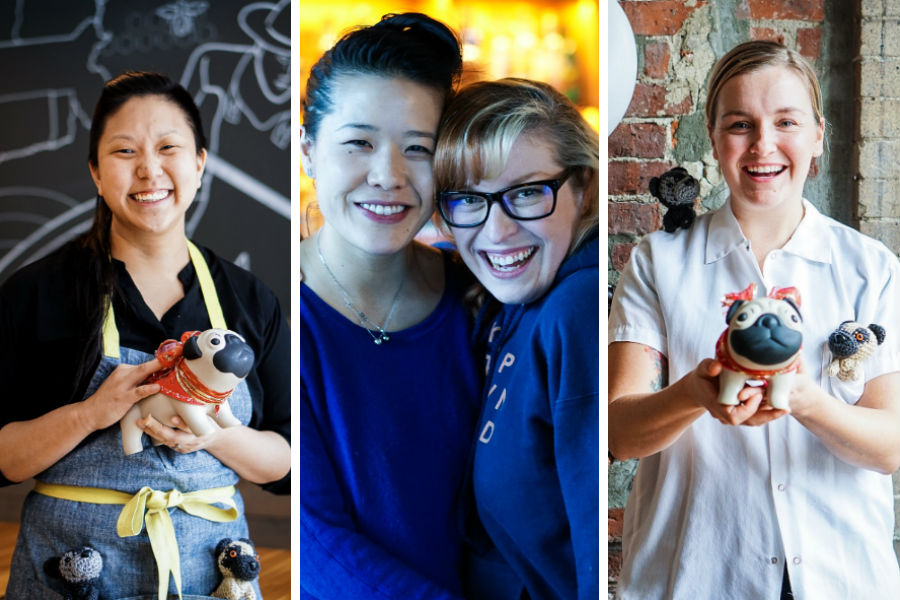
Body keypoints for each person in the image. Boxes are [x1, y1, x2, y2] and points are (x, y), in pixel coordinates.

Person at [609, 40, 900, 599]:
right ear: (715, 140)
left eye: (785, 121)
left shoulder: (870, 268)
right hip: (697, 574)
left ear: (818, 134)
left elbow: (889, 445)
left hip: (842, 576)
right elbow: (619, 434)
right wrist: (695, 393)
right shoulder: (659, 263)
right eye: (740, 124)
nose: (763, 145)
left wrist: (808, 400)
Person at [0, 71, 290, 600]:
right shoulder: (36, 293)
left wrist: (215, 434)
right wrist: (90, 414)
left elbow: (286, 462)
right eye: (124, 151)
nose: (149, 169)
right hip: (68, 570)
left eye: (168, 147)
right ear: (95, 172)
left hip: (213, 570)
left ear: (200, 163)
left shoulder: (251, 300)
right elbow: (3, 457)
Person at [298, 13, 481, 599]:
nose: (388, 175)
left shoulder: (479, 299)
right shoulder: (273, 313)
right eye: (358, 143)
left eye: (418, 149)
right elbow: (315, 539)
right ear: (308, 151)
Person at [433, 78, 600, 600]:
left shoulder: (576, 308)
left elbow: (596, 532)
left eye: (527, 193)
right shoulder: (515, 302)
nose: (498, 231)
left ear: (586, 187)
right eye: (467, 200)